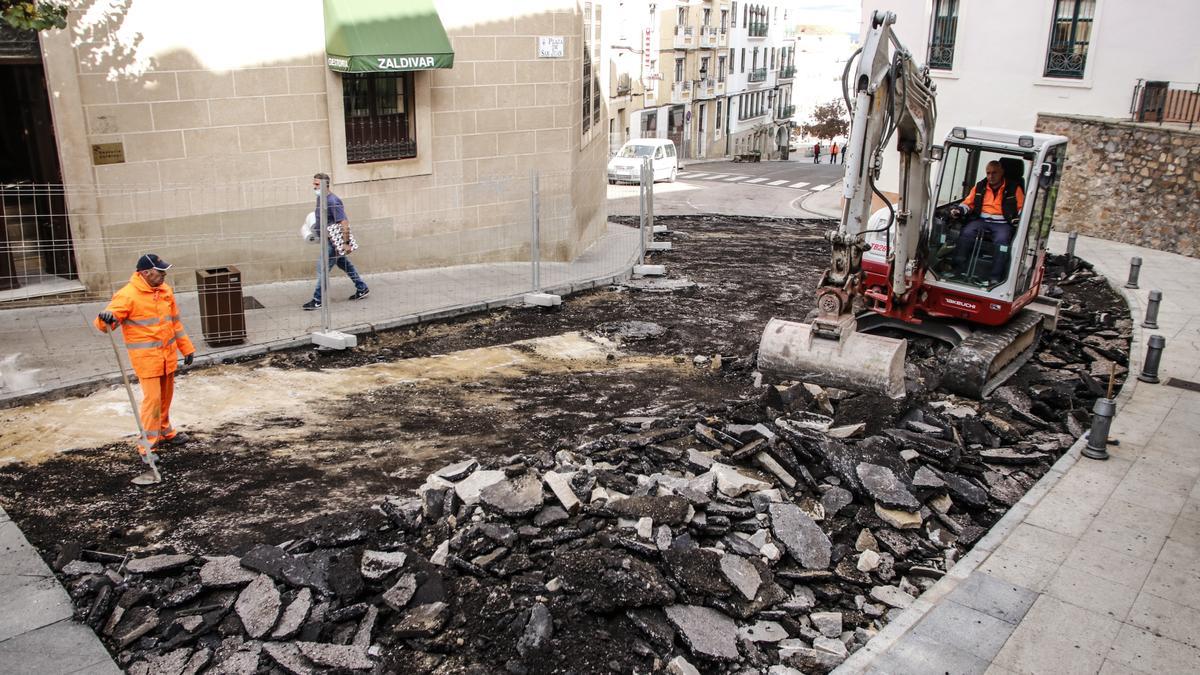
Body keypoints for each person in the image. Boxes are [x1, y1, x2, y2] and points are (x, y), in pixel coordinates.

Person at [94, 253, 196, 458]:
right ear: (146, 273)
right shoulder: (128, 295)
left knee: (166, 398)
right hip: (147, 360)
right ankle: (148, 445)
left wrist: (186, 348)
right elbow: (106, 325)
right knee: (153, 402)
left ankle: (166, 431)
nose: (164, 276)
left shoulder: (165, 291)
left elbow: (175, 323)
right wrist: (104, 318)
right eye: (160, 272)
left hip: (167, 356)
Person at [950, 160, 1025, 283]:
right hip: (981, 220)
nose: (991, 176)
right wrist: (958, 210)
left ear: (1002, 172)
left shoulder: (1014, 188)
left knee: (1002, 242)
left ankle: (995, 277)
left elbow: (1022, 207)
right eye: (988, 173)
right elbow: (968, 203)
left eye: (994, 173)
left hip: (1003, 223)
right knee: (966, 233)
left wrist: (1019, 218)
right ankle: (958, 271)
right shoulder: (980, 186)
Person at [304, 172, 369, 310]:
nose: (313, 186)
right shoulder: (321, 197)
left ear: (324, 185)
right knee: (345, 264)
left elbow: (344, 223)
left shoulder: (333, 201)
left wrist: (346, 243)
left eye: (316, 184)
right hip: (328, 240)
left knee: (322, 269)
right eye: (313, 183)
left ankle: (317, 300)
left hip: (333, 243)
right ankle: (362, 288)